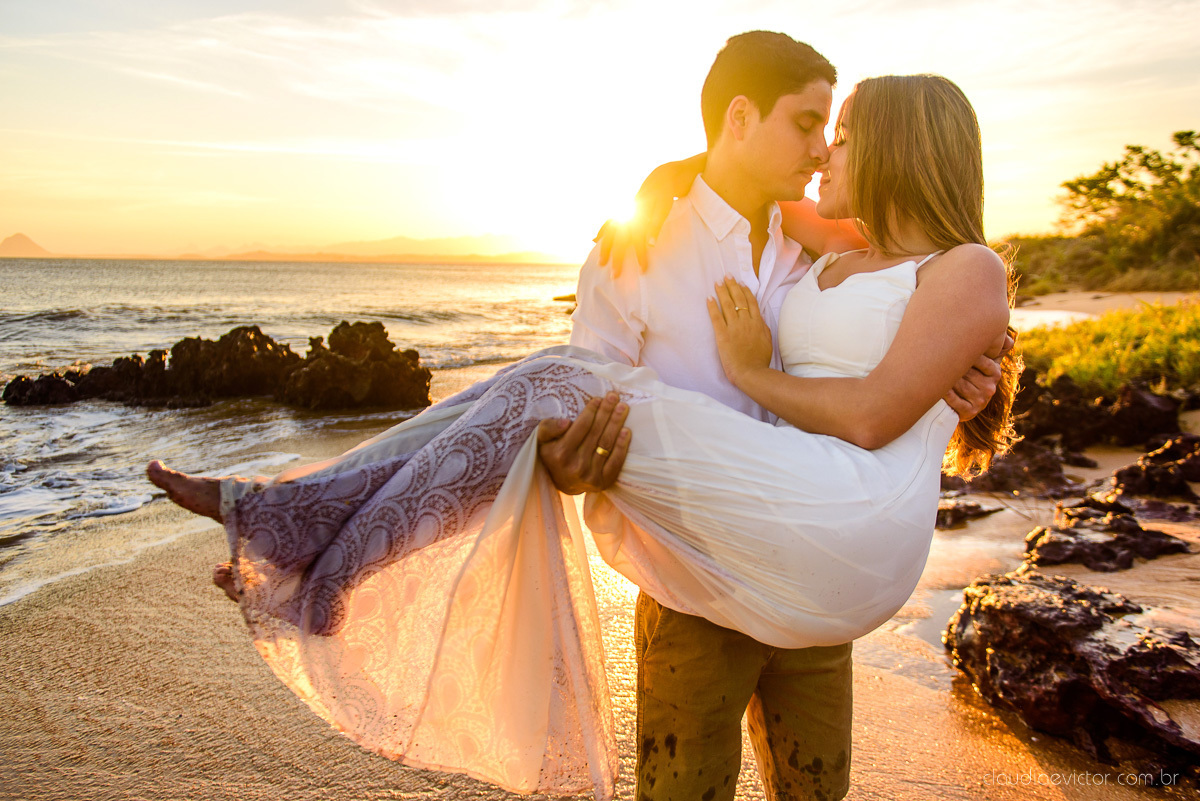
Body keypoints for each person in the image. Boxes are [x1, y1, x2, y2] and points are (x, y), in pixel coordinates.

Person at [147, 34, 1017, 801]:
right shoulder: (649, 242)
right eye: (809, 124)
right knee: (554, 388)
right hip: (699, 576)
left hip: (823, 535)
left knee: (814, 786)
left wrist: (961, 384)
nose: (825, 149)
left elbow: (890, 377)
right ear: (742, 118)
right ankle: (321, 539)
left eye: (843, 130)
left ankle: (316, 535)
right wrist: (571, 462)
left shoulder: (832, 244)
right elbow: (562, 443)